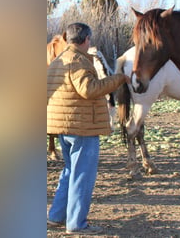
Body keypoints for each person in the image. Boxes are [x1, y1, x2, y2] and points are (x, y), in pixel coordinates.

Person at [47, 22, 130, 235]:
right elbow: (89, 89)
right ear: (86, 39)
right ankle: (76, 223)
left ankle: (57, 215)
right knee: (82, 175)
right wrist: (118, 79)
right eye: (89, 39)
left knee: (70, 172)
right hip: (82, 126)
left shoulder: (58, 60)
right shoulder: (78, 61)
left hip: (64, 126)